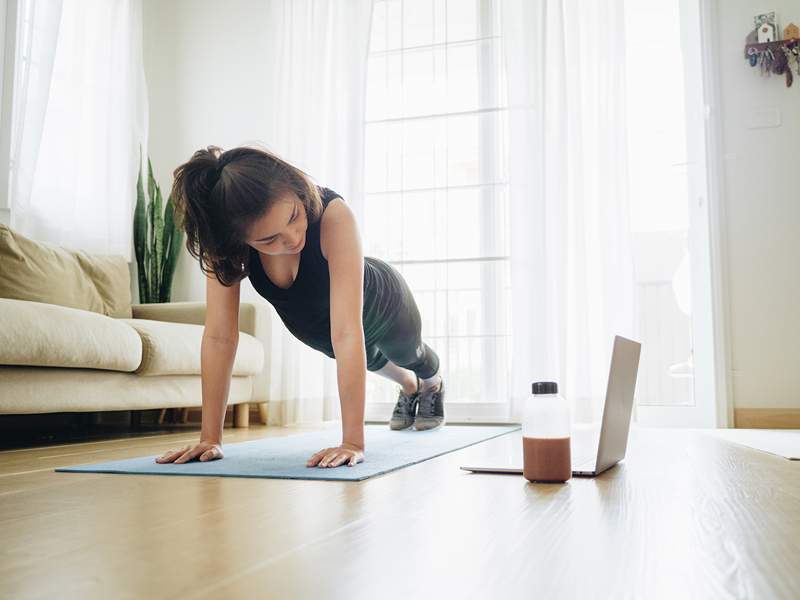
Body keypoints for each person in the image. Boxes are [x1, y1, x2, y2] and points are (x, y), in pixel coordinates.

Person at [155, 144, 445, 470]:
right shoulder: (225, 246)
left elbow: (348, 331)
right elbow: (220, 336)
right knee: (372, 359)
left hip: (384, 303)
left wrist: (352, 442)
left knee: (410, 353)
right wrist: (210, 439)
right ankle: (408, 387)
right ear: (238, 240)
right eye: (268, 240)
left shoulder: (333, 214)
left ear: (295, 188)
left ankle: (431, 383)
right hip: (319, 328)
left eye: (294, 216)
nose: (292, 238)